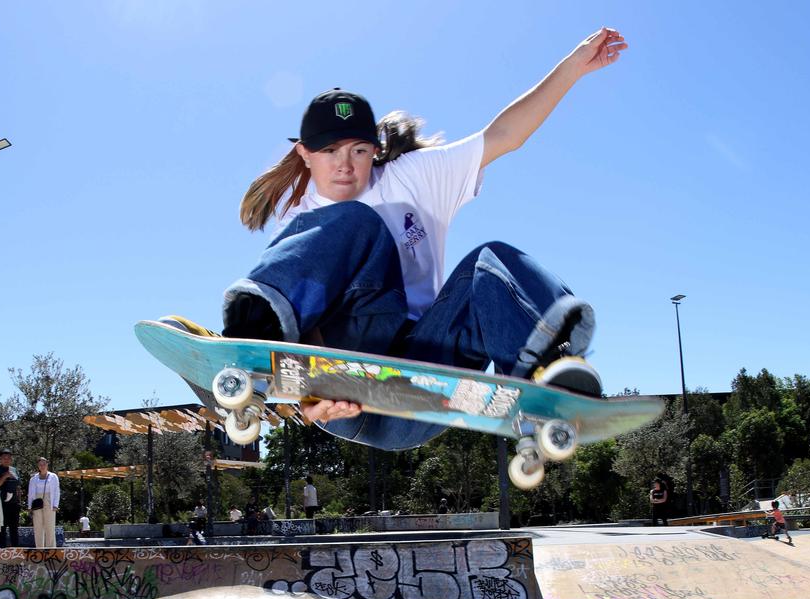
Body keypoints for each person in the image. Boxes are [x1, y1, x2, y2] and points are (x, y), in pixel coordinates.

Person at [190, 28, 627, 451]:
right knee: (356, 222)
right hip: (349, 389)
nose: (344, 166)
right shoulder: (303, 218)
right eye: (328, 153)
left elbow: (504, 136)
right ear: (304, 153)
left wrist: (572, 68)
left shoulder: (415, 177)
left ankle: (548, 376)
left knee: (492, 262)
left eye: (358, 151)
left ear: (374, 151)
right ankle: (244, 338)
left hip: (424, 383)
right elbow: (302, 332)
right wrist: (310, 394)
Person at [0, 449, 21, 548]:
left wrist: (19, 500)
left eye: (9, 458)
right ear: (0, 460)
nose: (7, 460)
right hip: (1, 504)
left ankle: (15, 550)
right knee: (1, 527)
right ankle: (3, 550)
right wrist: (4, 477)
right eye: (4, 458)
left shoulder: (14, 470)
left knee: (14, 528)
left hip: (14, 504)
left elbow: (18, 486)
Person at [28, 457, 60, 548]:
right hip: (37, 502)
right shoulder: (33, 478)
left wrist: (55, 505)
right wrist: (29, 506)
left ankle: (51, 549)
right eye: (40, 465)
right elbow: (30, 493)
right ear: (38, 466)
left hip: (49, 500)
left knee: (49, 526)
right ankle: (39, 549)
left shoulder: (53, 476)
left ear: (47, 464)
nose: (42, 466)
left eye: (44, 464)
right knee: (38, 527)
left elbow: (57, 491)